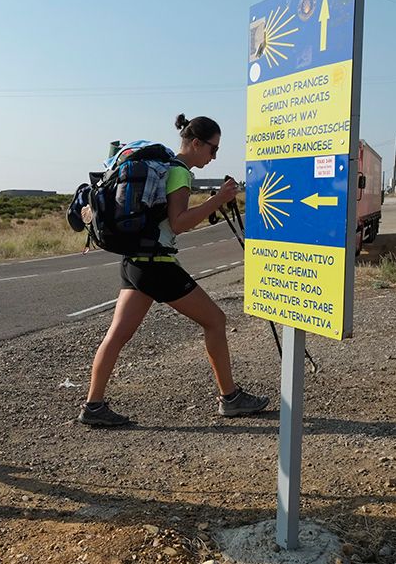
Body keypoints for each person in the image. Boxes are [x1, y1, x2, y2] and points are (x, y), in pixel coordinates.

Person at [78, 114, 270, 426]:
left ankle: (93, 405)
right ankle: (230, 398)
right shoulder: (179, 172)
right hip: (157, 264)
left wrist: (212, 202)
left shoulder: (164, 166)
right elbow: (179, 223)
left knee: (117, 335)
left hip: (134, 261)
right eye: (213, 149)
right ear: (196, 143)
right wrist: (219, 199)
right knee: (216, 321)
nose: (214, 156)